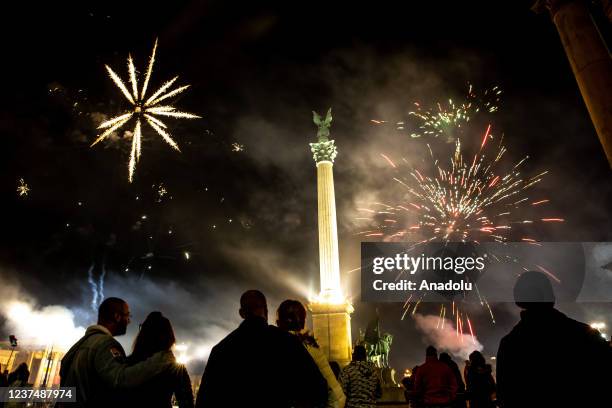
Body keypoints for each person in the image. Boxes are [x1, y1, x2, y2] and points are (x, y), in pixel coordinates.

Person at [496, 271, 612, 407]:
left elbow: (505, 397)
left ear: (518, 299)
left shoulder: (510, 344)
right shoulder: (584, 334)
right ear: (551, 296)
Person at [195, 290, 327, 408]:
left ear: (241, 313)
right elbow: (318, 389)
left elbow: (205, 401)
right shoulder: (287, 342)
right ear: (266, 310)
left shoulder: (221, 350)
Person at [59, 297, 176, 407]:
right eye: (127, 316)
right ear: (117, 316)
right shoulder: (106, 344)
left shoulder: (79, 345)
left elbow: (67, 391)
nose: (129, 321)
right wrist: (161, 360)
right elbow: (119, 379)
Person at [276, 299, 346, 408]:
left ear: (279, 322)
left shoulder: (275, 347)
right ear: (303, 322)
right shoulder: (312, 347)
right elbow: (337, 395)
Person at [125, 311, 194, 408]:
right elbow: (187, 403)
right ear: (169, 337)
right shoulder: (175, 369)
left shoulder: (127, 364)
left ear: (143, 335)